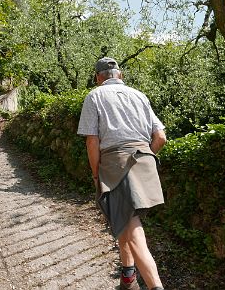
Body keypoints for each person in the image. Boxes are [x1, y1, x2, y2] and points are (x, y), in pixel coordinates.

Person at [77, 57, 167, 290]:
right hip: (145, 162)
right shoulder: (140, 96)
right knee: (125, 219)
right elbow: (160, 137)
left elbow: (92, 142)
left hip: (115, 167)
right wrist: (144, 156)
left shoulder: (94, 96)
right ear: (121, 75)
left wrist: (97, 174)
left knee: (133, 231)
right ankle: (128, 277)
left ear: (98, 78)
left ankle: (155, 285)